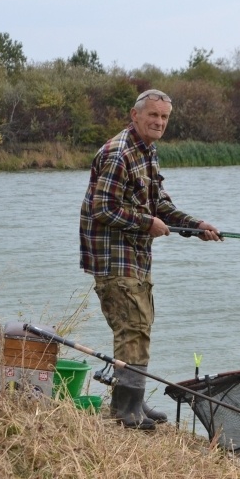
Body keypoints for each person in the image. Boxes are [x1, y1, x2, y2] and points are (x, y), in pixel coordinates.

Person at [79, 89, 221, 430]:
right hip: (114, 258)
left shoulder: (147, 151)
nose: (159, 122)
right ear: (135, 115)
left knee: (140, 327)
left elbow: (159, 205)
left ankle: (135, 402)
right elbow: (103, 209)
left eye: (164, 117)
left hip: (136, 257)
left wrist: (194, 226)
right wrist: (146, 223)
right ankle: (125, 410)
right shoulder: (118, 153)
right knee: (132, 328)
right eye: (153, 115)